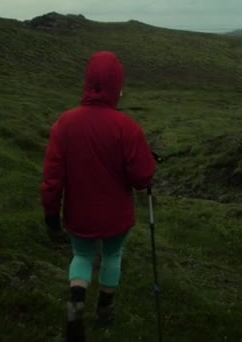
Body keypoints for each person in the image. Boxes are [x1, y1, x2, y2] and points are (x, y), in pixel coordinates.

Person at [41, 51, 156, 341]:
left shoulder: (64, 124)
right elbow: (142, 179)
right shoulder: (128, 127)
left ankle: (76, 305)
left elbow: (52, 177)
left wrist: (51, 214)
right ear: (118, 86)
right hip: (117, 216)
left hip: (78, 213)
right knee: (112, 255)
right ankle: (105, 311)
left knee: (81, 254)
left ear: (88, 83)